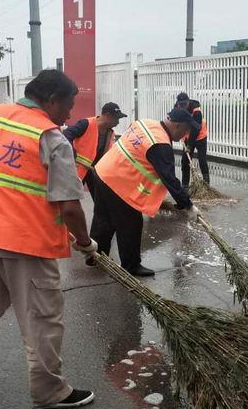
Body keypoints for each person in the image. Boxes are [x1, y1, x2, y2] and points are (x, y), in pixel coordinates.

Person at [0, 69, 98, 409]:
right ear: (52, 100)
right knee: (41, 322)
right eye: (68, 105)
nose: (70, 114)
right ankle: (49, 393)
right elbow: (70, 207)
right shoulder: (51, 138)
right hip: (28, 245)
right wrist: (86, 243)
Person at [90, 108, 199, 277]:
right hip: (118, 183)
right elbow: (170, 179)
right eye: (186, 130)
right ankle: (131, 266)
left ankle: (95, 256)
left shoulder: (146, 123)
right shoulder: (160, 144)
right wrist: (188, 206)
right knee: (131, 223)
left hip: (103, 172)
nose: (185, 135)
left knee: (103, 218)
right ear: (177, 125)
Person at [62, 102, 127, 196]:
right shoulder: (86, 124)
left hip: (94, 171)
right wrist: (72, 152)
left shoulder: (110, 133)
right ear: (107, 115)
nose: (117, 122)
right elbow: (66, 135)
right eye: (116, 118)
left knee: (101, 198)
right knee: (71, 197)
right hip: (78, 169)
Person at [179, 97, 209, 187]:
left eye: (184, 104)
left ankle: (206, 183)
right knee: (185, 160)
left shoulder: (196, 111)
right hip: (188, 137)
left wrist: (189, 145)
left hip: (200, 136)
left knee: (202, 159)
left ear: (188, 102)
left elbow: (196, 129)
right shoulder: (179, 108)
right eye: (180, 105)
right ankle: (185, 184)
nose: (182, 106)